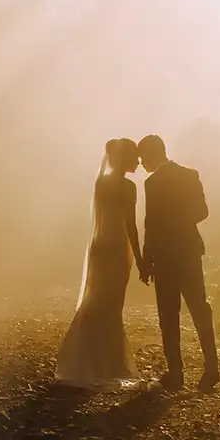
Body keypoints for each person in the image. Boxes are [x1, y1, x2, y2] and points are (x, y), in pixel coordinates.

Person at [54, 138, 145, 389]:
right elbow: (130, 225)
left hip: (99, 246)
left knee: (96, 302)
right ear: (123, 158)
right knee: (112, 305)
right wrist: (139, 257)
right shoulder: (128, 187)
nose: (138, 161)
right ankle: (109, 363)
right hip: (116, 248)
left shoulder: (101, 183)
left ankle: (87, 361)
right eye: (134, 157)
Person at [137, 134, 219, 392]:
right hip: (189, 251)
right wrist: (181, 220)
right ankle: (211, 367)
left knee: (168, 315)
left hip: (164, 255)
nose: (141, 164)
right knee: (199, 308)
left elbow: (150, 222)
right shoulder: (189, 174)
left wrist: (146, 259)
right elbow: (203, 211)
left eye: (142, 158)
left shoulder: (152, 183)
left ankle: (176, 374)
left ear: (152, 154)